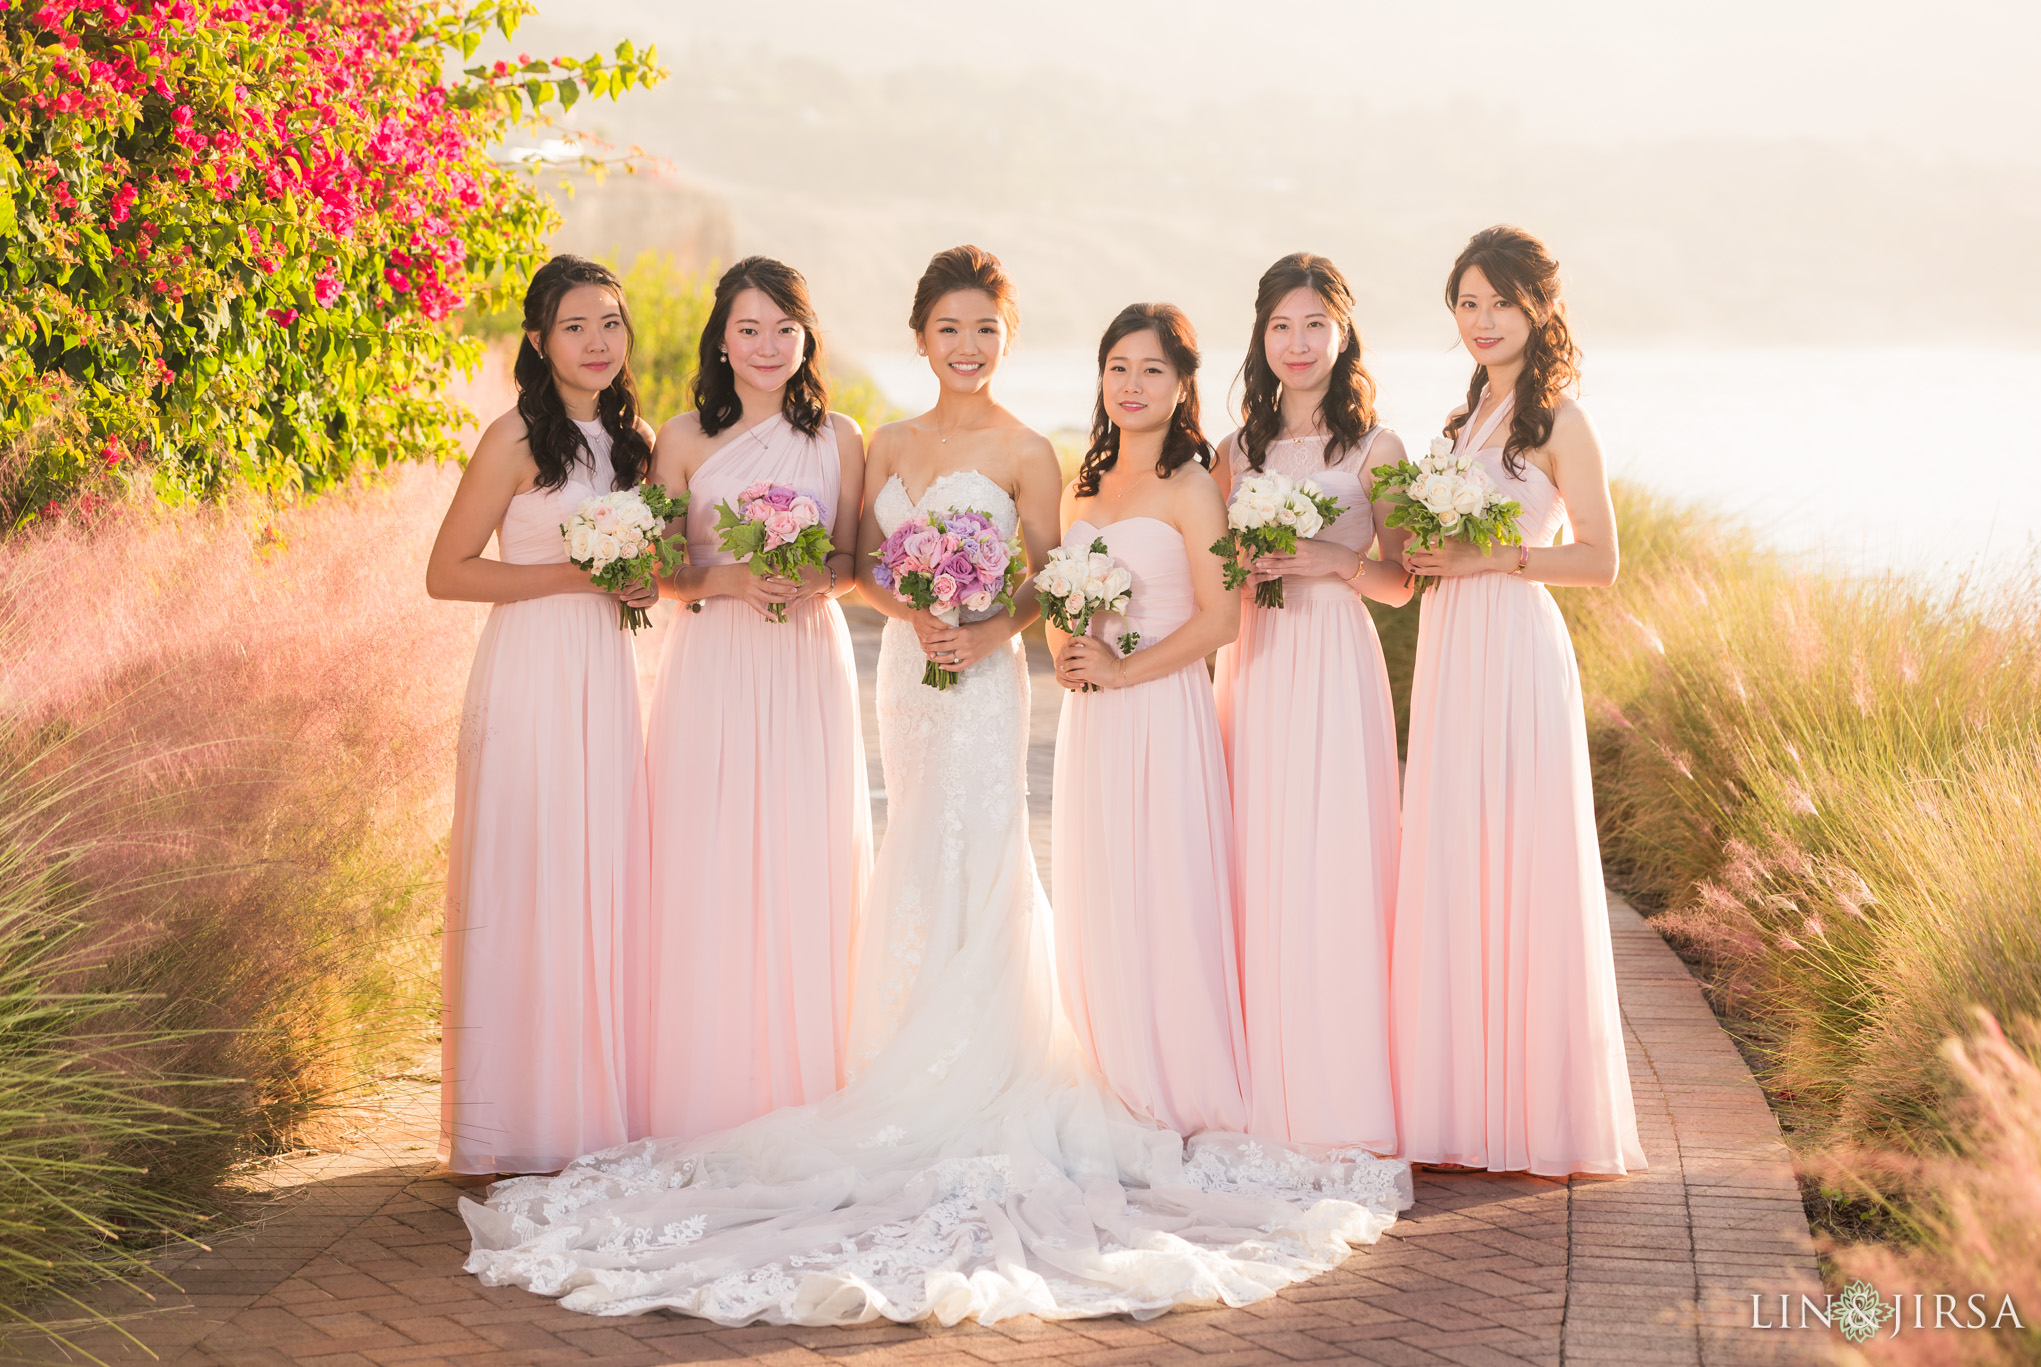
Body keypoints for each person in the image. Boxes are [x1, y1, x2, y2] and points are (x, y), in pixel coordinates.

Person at [459, 250, 1409, 1327]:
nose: (967, 347)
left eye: (986, 331)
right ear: (920, 336)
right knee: (909, 842)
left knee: (985, 851)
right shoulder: (887, 443)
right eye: (949, 329)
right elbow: (855, 560)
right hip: (905, 671)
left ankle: (986, 1058)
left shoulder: (1029, 451)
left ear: (1007, 340)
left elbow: (1054, 580)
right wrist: (909, 609)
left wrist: (992, 625)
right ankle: (890, 1049)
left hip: (985, 674)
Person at [1389, 225, 1647, 1177]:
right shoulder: (1463, 422)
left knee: (1521, 859)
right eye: (1467, 303)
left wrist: (1489, 555)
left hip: (1518, 649)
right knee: (1459, 853)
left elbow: (1601, 561)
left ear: (1539, 307)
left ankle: (1534, 1112)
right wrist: (1426, 554)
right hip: (1456, 647)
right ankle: (1461, 1103)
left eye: (1499, 302)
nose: (1482, 321)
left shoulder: (1560, 421)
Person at [424, 254, 657, 1175]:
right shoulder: (515, 436)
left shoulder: (635, 441)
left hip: (606, 671)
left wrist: (638, 580)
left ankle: (587, 1109)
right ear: (538, 340)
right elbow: (447, 572)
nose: (598, 342)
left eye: (611, 323)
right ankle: (515, 1125)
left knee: (598, 874)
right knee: (529, 874)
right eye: (575, 326)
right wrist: (580, 573)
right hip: (529, 673)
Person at [634, 257, 873, 1141]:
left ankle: (804, 1081)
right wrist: (729, 578)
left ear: (807, 336)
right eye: (748, 329)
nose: (767, 346)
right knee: (709, 849)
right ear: (721, 340)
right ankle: (708, 1083)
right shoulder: (684, 436)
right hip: (714, 660)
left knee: (805, 853)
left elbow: (852, 563)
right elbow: (660, 570)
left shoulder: (842, 436)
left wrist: (810, 574)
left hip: (807, 658)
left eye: (783, 328)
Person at [1210, 254, 1411, 1151]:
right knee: (1256, 848)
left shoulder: (1379, 448)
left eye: (1315, 326)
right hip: (1258, 659)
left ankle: (1338, 1079)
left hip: (1334, 657)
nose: (1298, 344)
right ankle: (1259, 1071)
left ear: (1343, 334)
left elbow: (1403, 584)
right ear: (1260, 336)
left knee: (1335, 852)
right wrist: (1245, 568)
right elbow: (1213, 572)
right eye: (1281, 326)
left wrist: (1331, 558)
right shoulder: (1233, 453)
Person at [1048, 302, 1249, 1136]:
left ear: (1181, 385)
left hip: (1162, 707)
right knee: (1100, 884)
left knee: (1164, 884)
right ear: (1101, 378)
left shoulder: (1194, 486)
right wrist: (1066, 642)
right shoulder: (1080, 487)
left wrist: (1129, 666)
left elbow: (1223, 617)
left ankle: (1171, 1079)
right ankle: (1107, 1064)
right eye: (1119, 368)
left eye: (1152, 370)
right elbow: (1063, 596)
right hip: (1094, 718)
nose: (1132, 385)